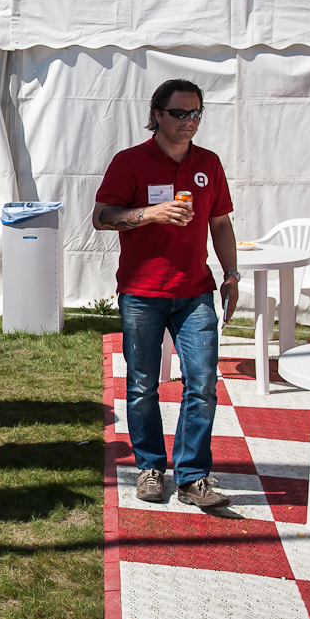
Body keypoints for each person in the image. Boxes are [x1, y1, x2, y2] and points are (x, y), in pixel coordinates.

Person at [93, 78, 240, 509]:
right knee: (142, 385)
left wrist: (231, 274)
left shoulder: (208, 163)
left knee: (203, 383)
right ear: (157, 114)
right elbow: (101, 217)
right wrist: (151, 214)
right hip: (142, 291)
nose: (189, 121)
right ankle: (151, 468)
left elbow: (221, 222)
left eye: (196, 113)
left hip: (195, 292)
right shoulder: (130, 162)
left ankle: (192, 476)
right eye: (179, 113)